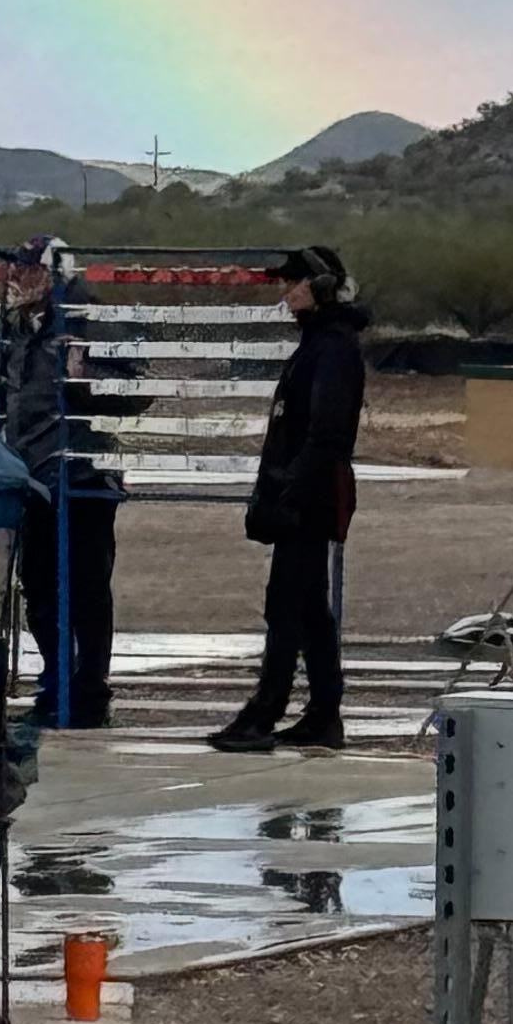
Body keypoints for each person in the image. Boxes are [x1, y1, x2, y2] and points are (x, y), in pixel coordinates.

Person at [209, 243, 368, 756]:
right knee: (309, 609)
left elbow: (326, 436)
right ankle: (323, 713)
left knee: (287, 607)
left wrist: (290, 495)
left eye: (296, 282)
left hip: (311, 497)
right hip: (301, 493)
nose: (287, 291)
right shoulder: (318, 345)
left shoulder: (334, 348)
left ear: (321, 287)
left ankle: (265, 713)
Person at [0, 234, 135, 728]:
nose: (15, 279)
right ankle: (57, 680)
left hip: (84, 473)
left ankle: (90, 690)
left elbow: (136, 391)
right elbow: (0, 392)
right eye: (14, 270)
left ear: (53, 275)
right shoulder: (14, 326)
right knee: (37, 583)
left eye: (26, 270)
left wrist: (87, 376)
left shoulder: (91, 319)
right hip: (29, 475)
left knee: (88, 586)